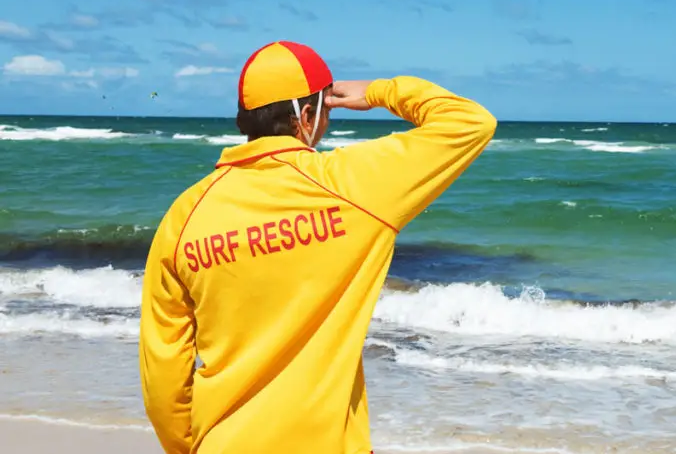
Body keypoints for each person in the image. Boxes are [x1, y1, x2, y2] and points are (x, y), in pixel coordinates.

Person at [138, 40, 497, 454]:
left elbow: (163, 372)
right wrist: (379, 92)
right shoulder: (352, 186)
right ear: (306, 116)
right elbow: (470, 122)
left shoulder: (185, 216)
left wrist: (189, 447)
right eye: (324, 110)